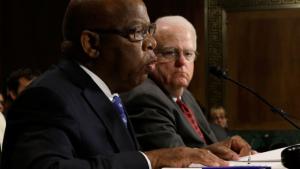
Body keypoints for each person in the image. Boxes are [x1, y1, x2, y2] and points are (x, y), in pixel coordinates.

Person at [1, 1, 229, 169]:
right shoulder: (46, 97)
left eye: (149, 31)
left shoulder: (110, 95)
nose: (151, 43)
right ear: (91, 43)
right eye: (137, 32)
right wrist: (153, 159)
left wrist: (197, 155)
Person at [122, 15, 253, 160]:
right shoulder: (145, 96)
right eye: (170, 52)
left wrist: (230, 150)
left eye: (188, 53)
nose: (182, 62)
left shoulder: (185, 96)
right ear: (152, 55)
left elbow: (204, 146)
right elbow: (176, 159)